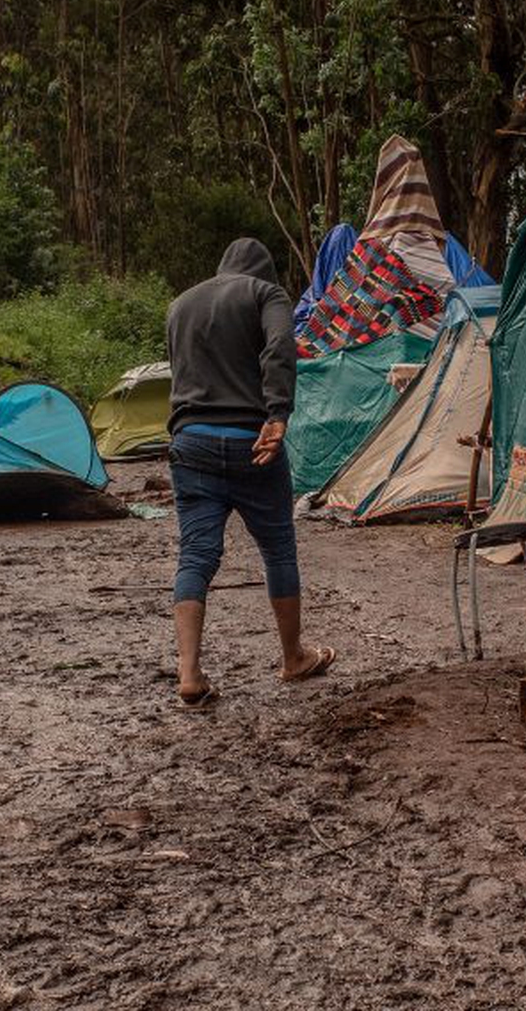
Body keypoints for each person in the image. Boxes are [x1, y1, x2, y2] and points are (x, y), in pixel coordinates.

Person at [165, 238, 335, 706]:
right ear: (263, 272)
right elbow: (280, 344)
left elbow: (182, 372)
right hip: (251, 443)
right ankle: (293, 658)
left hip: (191, 443)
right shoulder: (265, 294)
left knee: (196, 554)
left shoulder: (180, 304)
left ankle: (189, 672)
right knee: (278, 548)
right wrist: (278, 413)